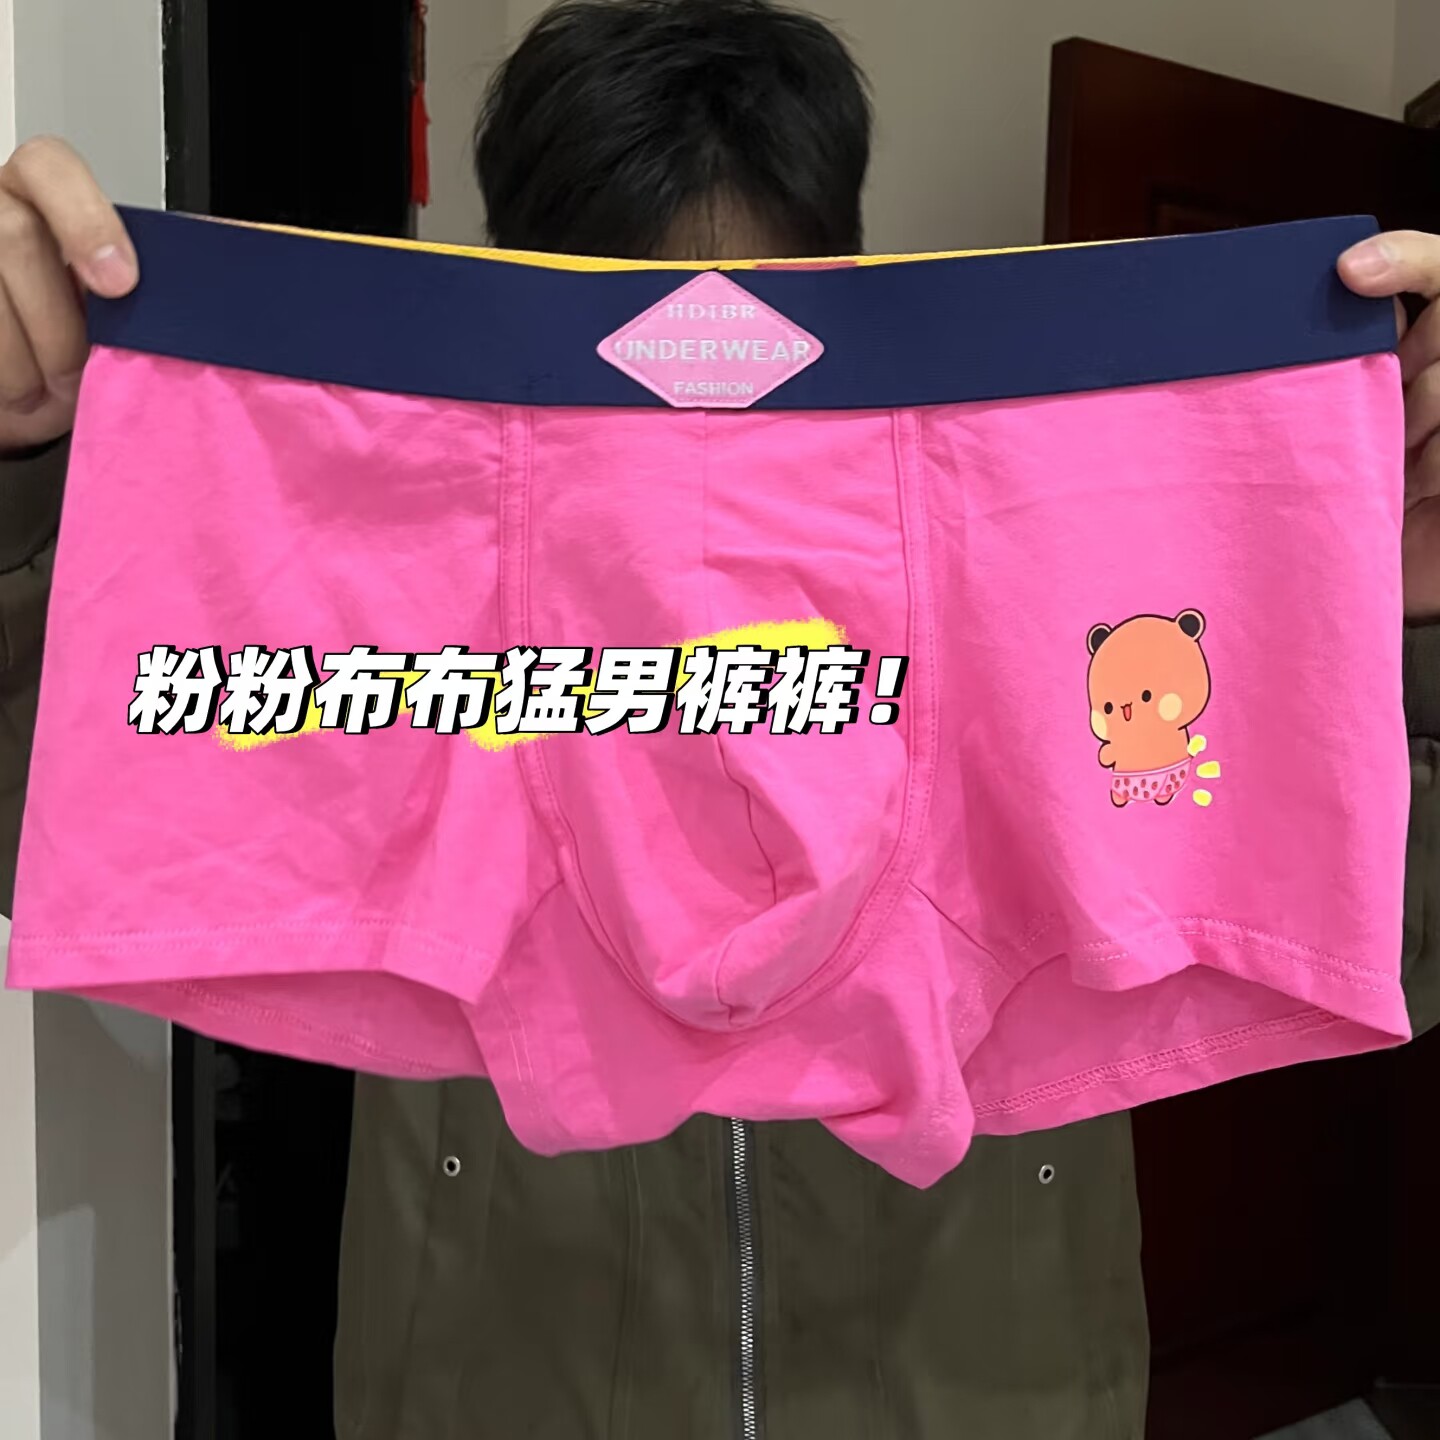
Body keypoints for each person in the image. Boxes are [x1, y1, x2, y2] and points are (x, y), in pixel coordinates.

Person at [2, 3, 1440, 1436]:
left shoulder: (1052, 556)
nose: (693, 434)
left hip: (988, 1386)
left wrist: (1407, 628)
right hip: (503, 1386)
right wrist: (19, 482)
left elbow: (1395, 930)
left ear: (847, 267)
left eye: (764, 328)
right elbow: (68, 810)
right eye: (610, 359)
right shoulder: (388, 555)